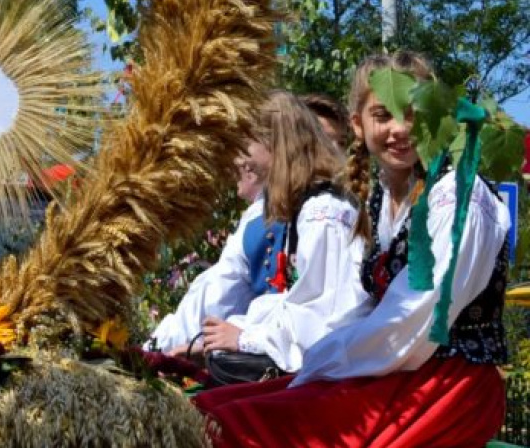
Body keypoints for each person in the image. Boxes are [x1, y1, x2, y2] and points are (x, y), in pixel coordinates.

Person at [194, 52, 510, 447]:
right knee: (216, 407)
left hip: (446, 386)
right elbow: (354, 310)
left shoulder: (457, 195)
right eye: (383, 115)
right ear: (358, 125)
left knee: (249, 424)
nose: (400, 128)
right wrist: (306, 362)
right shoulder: (379, 201)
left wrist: (317, 366)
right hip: (390, 368)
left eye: (413, 112)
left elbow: (412, 321)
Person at [194, 91, 370, 378]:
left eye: (247, 144)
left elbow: (324, 320)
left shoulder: (323, 213)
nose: (240, 159)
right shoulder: (306, 209)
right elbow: (295, 304)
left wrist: (244, 339)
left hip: (338, 378)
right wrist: (238, 328)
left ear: (276, 145)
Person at [147, 140, 269, 354]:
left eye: (244, 150)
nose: (238, 163)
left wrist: (159, 350)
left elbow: (224, 296)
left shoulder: (266, 221)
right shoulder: (257, 217)